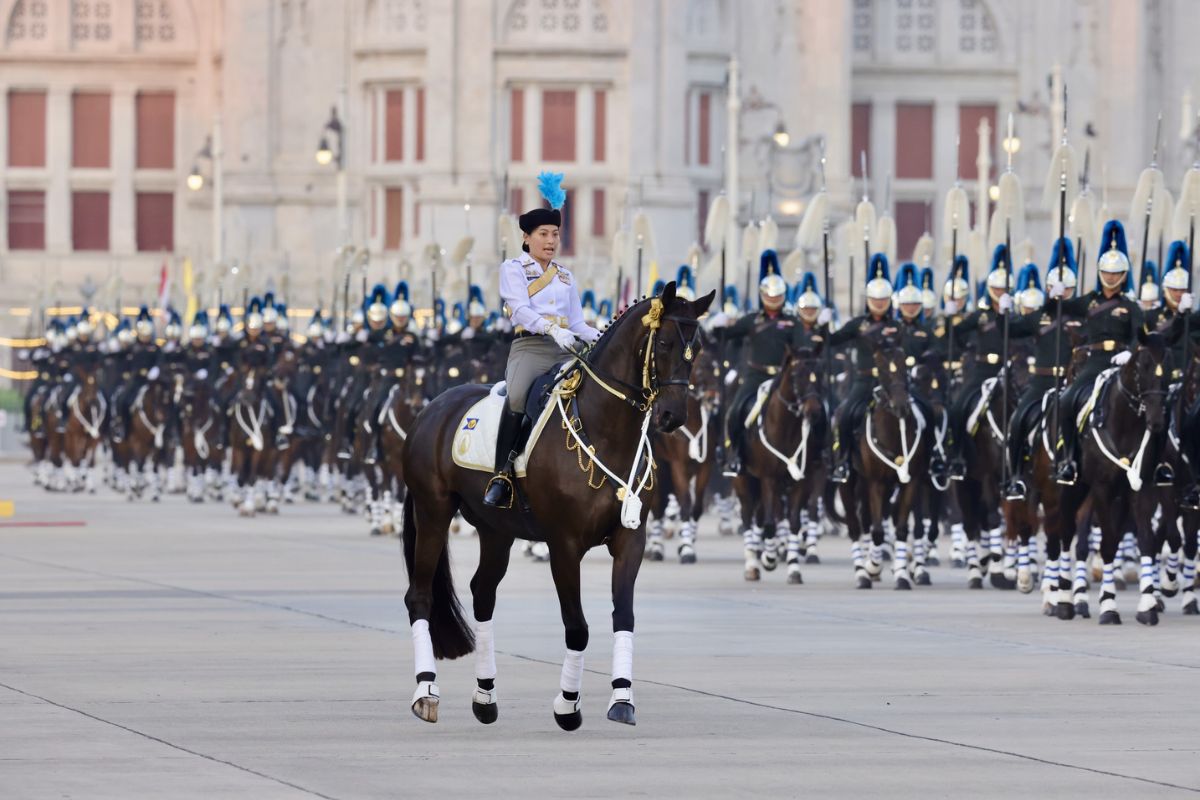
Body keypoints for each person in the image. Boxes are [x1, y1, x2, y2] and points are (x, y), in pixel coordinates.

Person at [483, 172, 601, 509]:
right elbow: (518, 308)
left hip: (566, 350)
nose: (550, 241)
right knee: (519, 395)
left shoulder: (566, 276)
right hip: (532, 347)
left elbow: (578, 323)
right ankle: (502, 472)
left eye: (555, 234)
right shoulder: (514, 268)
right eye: (543, 234)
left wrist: (604, 334)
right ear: (527, 237)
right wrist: (551, 329)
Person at [709, 251, 826, 474]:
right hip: (755, 376)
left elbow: (803, 348)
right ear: (762, 295)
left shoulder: (792, 321)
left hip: (785, 377)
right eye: (769, 296)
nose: (773, 300)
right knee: (735, 412)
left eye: (778, 295)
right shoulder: (752, 320)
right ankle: (733, 454)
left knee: (817, 409)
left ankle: (820, 454)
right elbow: (726, 337)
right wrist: (719, 326)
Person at [1051, 221, 1145, 485]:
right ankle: (1069, 458)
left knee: (1151, 406)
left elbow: (1141, 335)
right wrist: (1056, 297)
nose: (1112, 277)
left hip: (1121, 364)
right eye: (1107, 272)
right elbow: (1063, 309)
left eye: (1116, 273)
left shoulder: (1131, 306)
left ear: (1124, 275)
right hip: (1094, 364)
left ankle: (1150, 461)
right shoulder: (1089, 301)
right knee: (1066, 401)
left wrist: (1133, 354)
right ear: (1100, 272)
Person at [1003, 244, 1081, 500]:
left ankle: (1074, 464)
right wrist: (1002, 312)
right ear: (1049, 289)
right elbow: (1012, 330)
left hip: (1071, 382)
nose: (1063, 293)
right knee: (1016, 423)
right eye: (1060, 289)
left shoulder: (1083, 316)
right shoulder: (1039, 317)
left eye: (1068, 289)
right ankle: (1014, 477)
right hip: (1041, 382)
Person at [826, 254, 900, 483]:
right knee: (846, 416)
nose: (879, 303)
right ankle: (844, 461)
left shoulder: (896, 326)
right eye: (875, 299)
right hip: (864, 382)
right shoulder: (858, 325)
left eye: (883, 299)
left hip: (891, 383)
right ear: (868, 299)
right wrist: (823, 325)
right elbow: (832, 340)